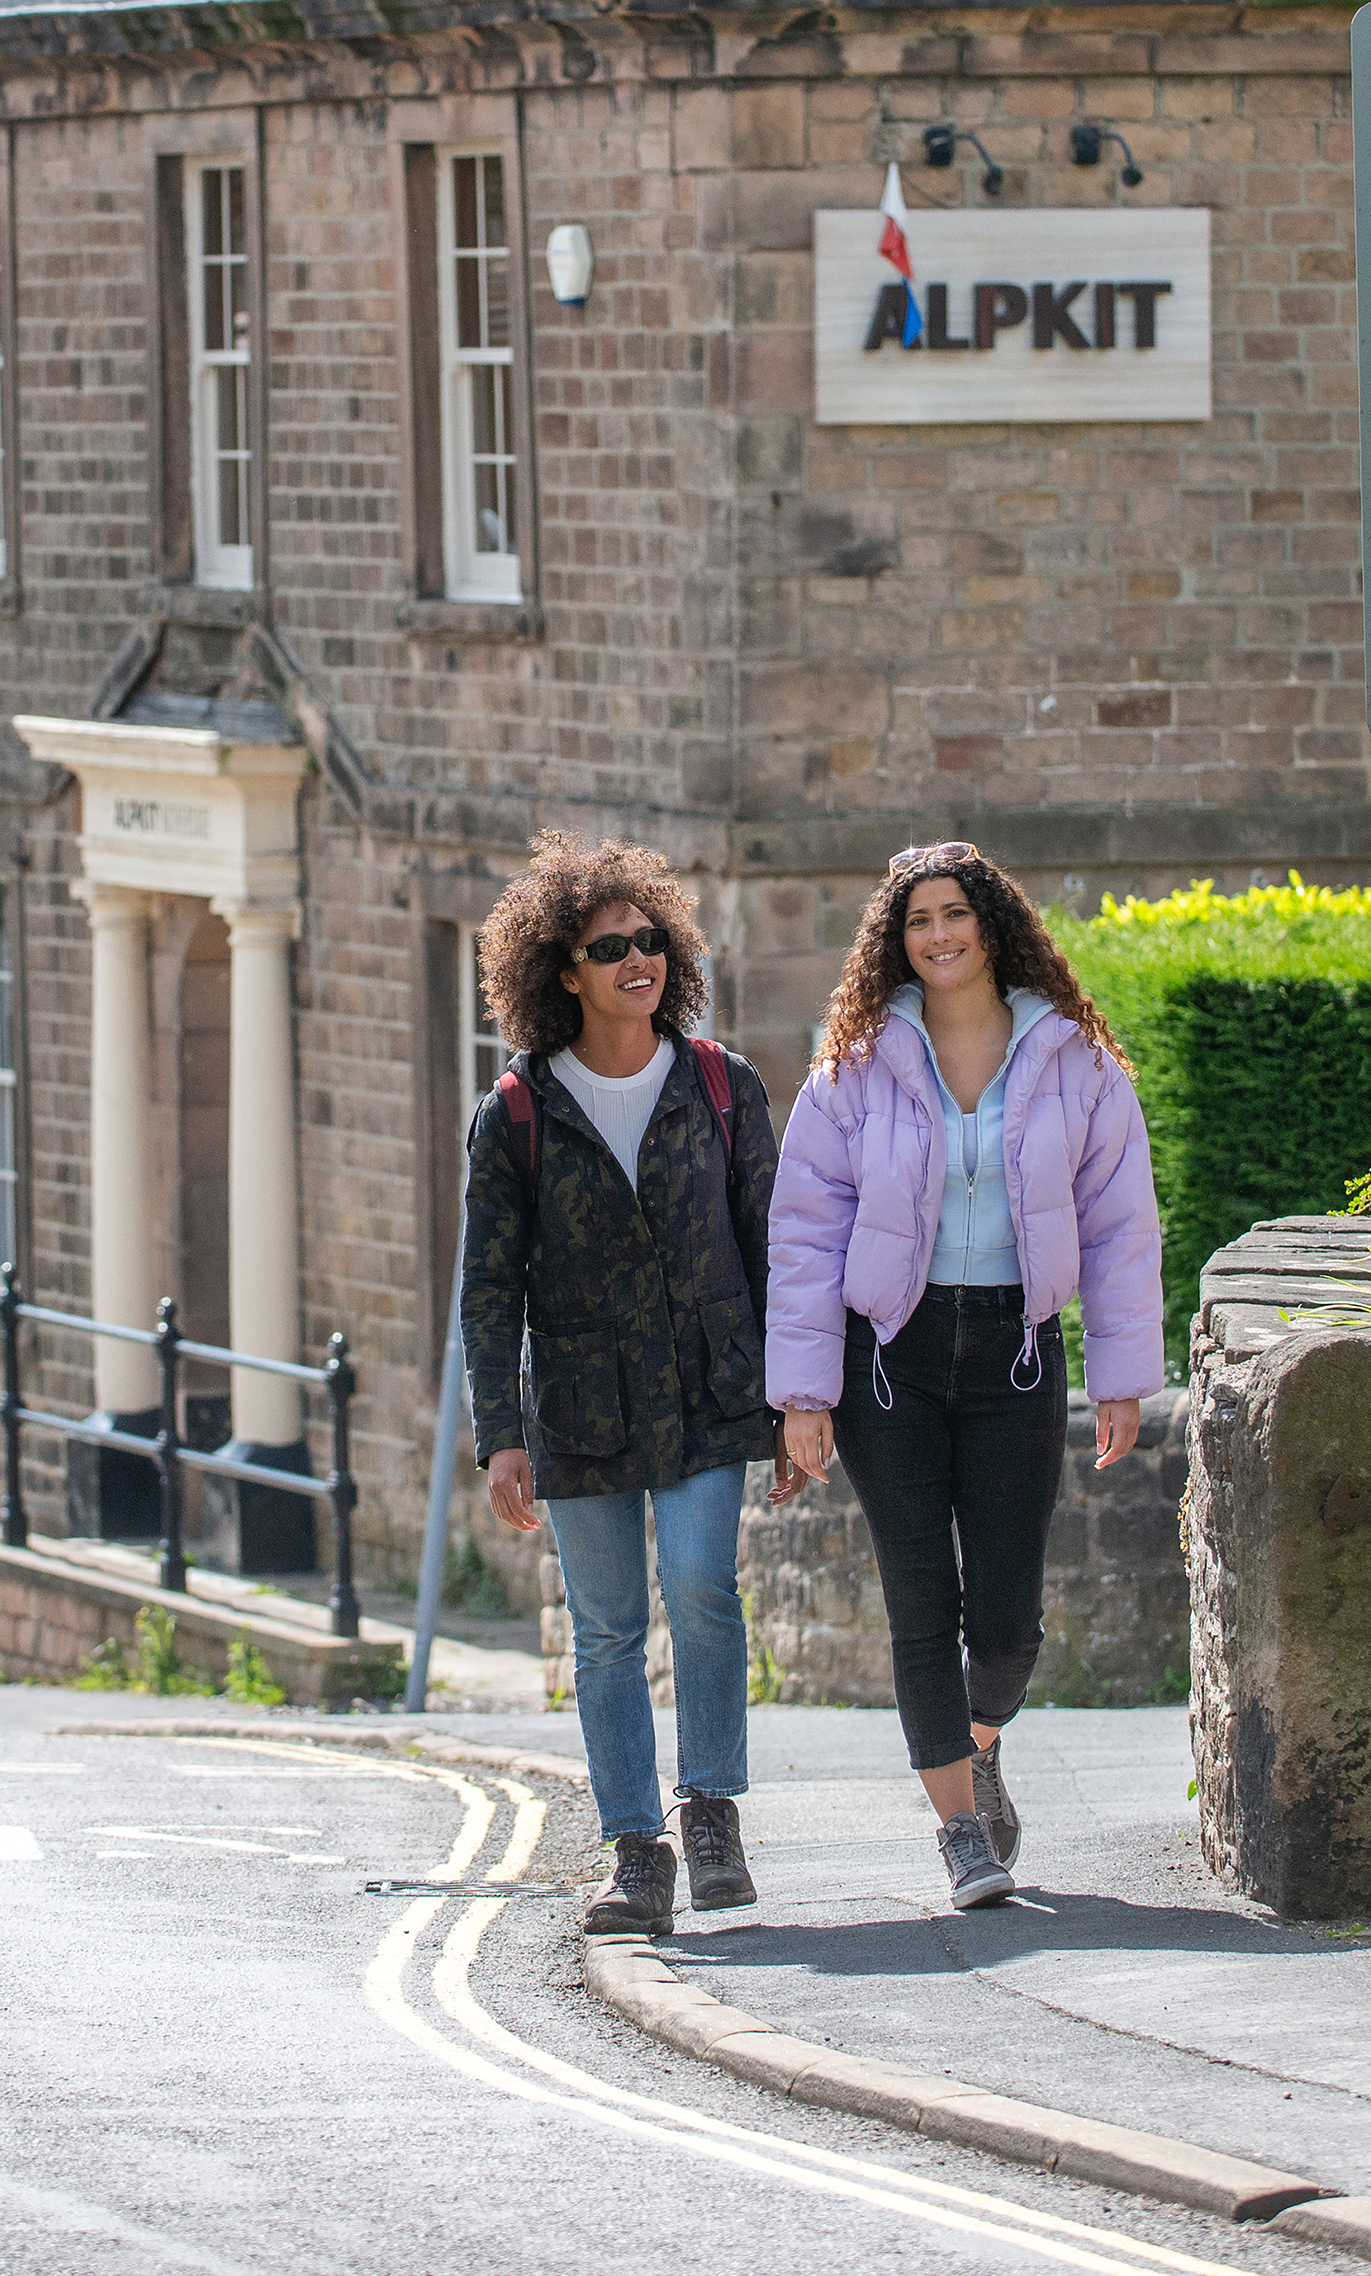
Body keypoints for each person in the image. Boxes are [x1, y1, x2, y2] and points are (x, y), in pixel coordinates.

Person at [767, 840, 1165, 1910]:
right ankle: (959, 1836)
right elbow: (805, 1234)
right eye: (916, 923)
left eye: (953, 915)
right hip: (885, 1362)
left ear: (991, 924)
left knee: (1006, 1618)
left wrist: (1122, 1376)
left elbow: (1120, 1227)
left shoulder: (1072, 1058)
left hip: (1015, 1355)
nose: (937, 937)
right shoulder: (852, 1066)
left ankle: (978, 1742)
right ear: (894, 944)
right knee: (917, 1601)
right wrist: (804, 1395)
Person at [459, 831, 782, 1939]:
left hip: (708, 1389)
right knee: (603, 1631)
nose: (635, 961)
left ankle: (710, 1814)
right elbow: (488, 1288)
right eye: (609, 949)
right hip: (582, 1409)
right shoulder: (514, 1113)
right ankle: (635, 1852)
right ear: (563, 971)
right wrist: (499, 1433)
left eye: (649, 942)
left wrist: (795, 1401)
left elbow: (771, 1249)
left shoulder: (721, 1086)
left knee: (701, 1591)